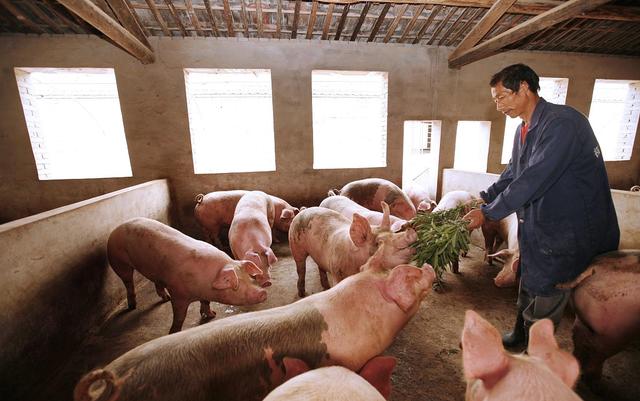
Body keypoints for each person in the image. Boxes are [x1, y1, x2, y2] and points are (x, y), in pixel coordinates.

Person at [464, 63, 620, 349]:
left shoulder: (563, 124)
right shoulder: (524, 129)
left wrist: (488, 213)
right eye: (495, 99)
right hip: (541, 221)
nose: (498, 106)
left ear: (524, 88)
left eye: (501, 97)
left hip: (569, 228)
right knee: (529, 275)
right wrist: (485, 196)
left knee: (548, 285)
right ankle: (521, 335)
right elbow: (514, 172)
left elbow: (533, 178)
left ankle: (536, 355)